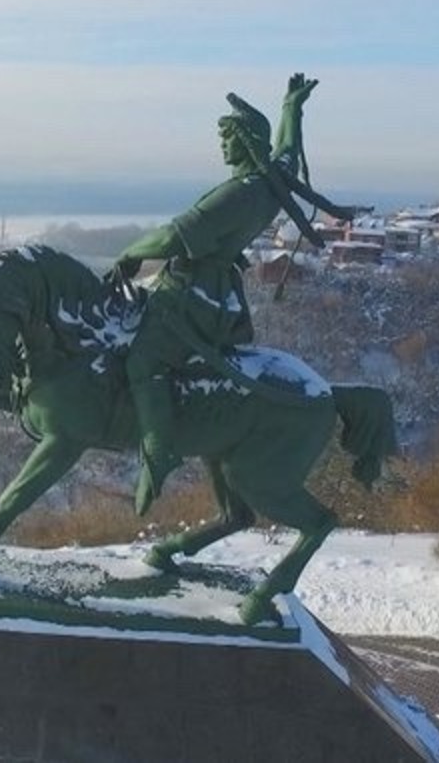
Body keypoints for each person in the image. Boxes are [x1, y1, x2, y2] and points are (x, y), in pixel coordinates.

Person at [113, 74, 360, 517]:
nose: (223, 146)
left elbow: (172, 236)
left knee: (142, 360)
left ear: (246, 142)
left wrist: (130, 253)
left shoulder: (239, 193)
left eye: (228, 138)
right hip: (220, 297)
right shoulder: (271, 183)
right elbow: (287, 151)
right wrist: (291, 108)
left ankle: (158, 449)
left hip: (195, 296)